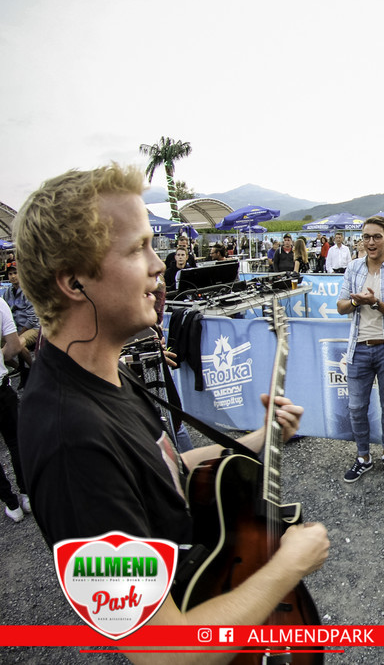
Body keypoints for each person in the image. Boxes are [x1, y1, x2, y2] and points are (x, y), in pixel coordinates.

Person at [14, 164, 329, 658]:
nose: (159, 265)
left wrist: (257, 438)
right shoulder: (69, 440)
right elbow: (163, 651)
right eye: (137, 248)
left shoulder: (106, 372)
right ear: (74, 282)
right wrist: (286, 567)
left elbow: (158, 470)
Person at [336, 216, 384, 483]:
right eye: (366, 237)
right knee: (356, 407)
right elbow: (341, 306)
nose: (371, 242)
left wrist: (375, 302)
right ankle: (363, 457)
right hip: (358, 348)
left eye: (376, 237)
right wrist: (356, 302)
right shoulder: (353, 267)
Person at [0, 298, 28, 523]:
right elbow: (14, 346)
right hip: (1, 388)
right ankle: (27, 495)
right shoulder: (0, 303)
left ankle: (12, 504)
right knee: (16, 442)